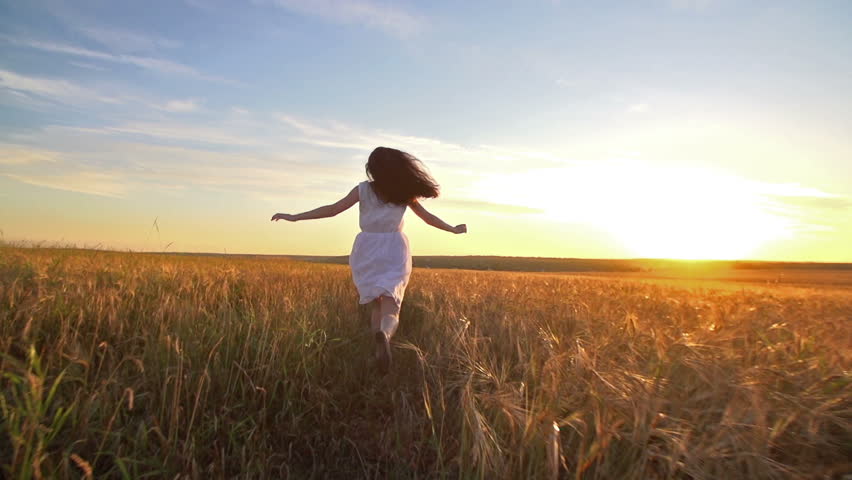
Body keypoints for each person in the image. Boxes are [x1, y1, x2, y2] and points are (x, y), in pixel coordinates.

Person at [272, 147, 467, 373]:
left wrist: (295, 217)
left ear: (373, 170)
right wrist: (452, 229)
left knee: (376, 301)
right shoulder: (404, 193)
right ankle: (385, 334)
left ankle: (377, 355)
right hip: (395, 248)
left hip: (366, 248)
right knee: (392, 305)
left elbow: (333, 210)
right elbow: (429, 218)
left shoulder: (362, 189)